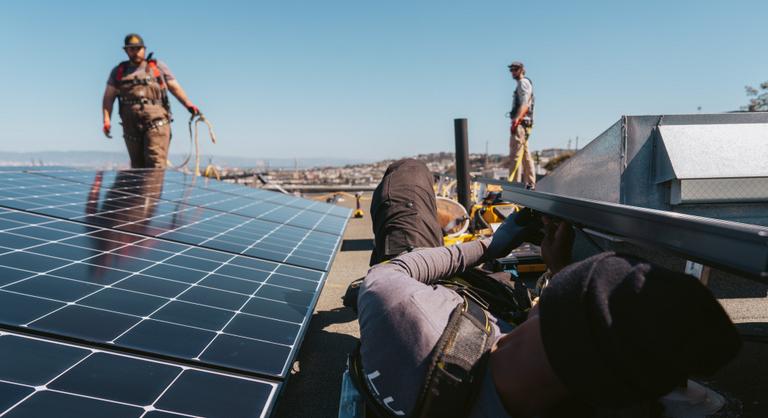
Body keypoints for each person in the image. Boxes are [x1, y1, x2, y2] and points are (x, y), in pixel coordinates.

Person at [356, 207, 741, 417]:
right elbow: (574, 344)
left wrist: (491, 246)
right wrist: (560, 274)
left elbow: (391, 273)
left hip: (426, 298)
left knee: (407, 181)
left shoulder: (404, 313)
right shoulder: (581, 387)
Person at [101, 33, 201, 169]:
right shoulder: (119, 71)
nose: (135, 52)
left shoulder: (157, 67)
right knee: (137, 168)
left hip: (157, 122)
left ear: (144, 49)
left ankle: (152, 190)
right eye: (131, 49)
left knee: (155, 165)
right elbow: (108, 97)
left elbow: (174, 87)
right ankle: (140, 191)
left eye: (138, 48)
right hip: (130, 125)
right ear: (126, 51)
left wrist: (188, 104)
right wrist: (106, 120)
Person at [507, 61, 536, 189]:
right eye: (511, 70)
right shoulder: (523, 83)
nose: (513, 72)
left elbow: (525, 104)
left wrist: (517, 120)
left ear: (522, 70)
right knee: (524, 155)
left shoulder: (523, 83)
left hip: (521, 124)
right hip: (524, 123)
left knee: (515, 155)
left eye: (515, 69)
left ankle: (514, 185)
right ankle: (530, 183)